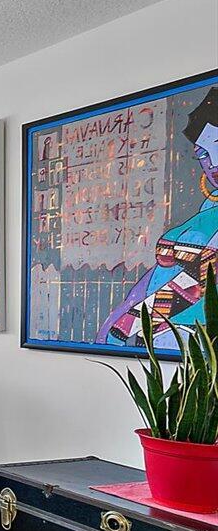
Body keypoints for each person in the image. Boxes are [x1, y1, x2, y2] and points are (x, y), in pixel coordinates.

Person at [98, 87, 218, 349]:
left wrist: (130, 322)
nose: (213, 163)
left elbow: (203, 277)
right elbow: (157, 277)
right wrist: (119, 318)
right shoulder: (208, 207)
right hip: (160, 335)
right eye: (203, 155)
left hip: (190, 339)